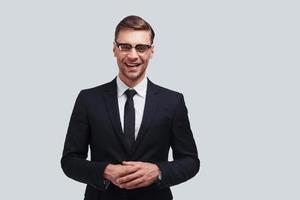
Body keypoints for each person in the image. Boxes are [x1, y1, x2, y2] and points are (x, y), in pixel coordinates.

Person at [61, 15, 200, 200]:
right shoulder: (88, 99)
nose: (133, 55)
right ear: (114, 49)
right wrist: (104, 171)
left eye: (141, 47)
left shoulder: (173, 101)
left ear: (151, 51)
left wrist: (159, 171)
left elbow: (191, 161)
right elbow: (69, 160)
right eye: (125, 47)